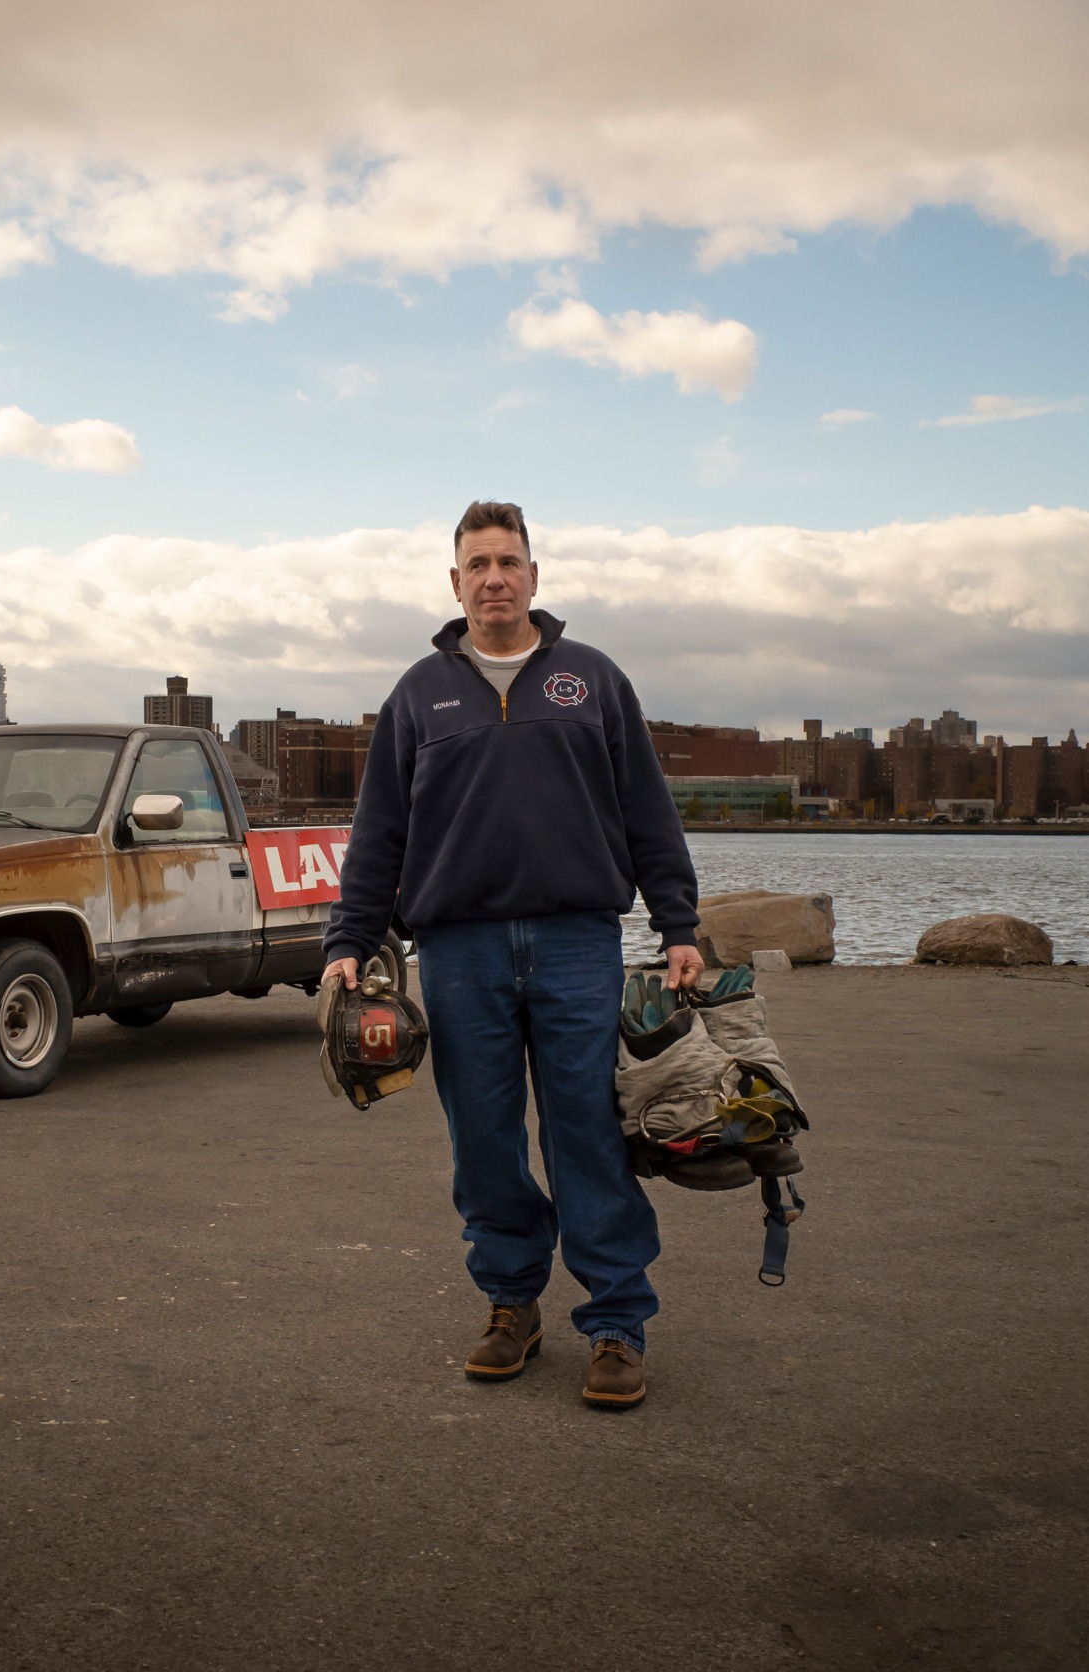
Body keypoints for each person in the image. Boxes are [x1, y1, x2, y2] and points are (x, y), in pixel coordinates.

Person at [322, 499, 704, 1408]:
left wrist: (679, 926)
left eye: (508, 563)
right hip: (460, 949)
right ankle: (511, 1302)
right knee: (484, 1138)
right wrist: (349, 939)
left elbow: (647, 808)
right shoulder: (419, 693)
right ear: (455, 583)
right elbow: (380, 832)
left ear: (534, 576)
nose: (494, 578)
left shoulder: (593, 680)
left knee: (588, 1131)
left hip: (577, 941)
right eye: (478, 565)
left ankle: (616, 1322)